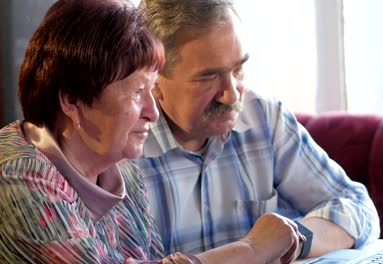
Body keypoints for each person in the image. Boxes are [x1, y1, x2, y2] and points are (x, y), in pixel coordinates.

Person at [0, 0, 306, 263]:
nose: (153, 112)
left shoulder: (123, 173)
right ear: (71, 101)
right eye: (137, 93)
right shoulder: (17, 178)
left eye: (151, 90)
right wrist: (251, 250)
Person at [135, 0, 381, 260]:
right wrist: (254, 250)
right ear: (154, 82)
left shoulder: (264, 118)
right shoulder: (121, 147)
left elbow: (357, 206)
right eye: (208, 77)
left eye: (238, 69)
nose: (231, 95)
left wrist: (294, 240)